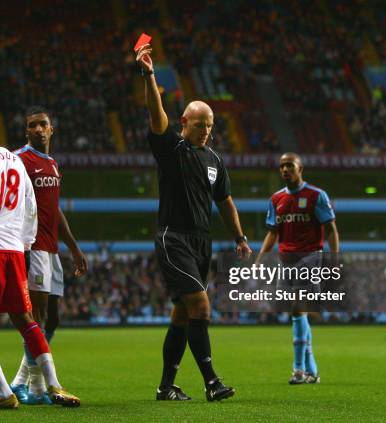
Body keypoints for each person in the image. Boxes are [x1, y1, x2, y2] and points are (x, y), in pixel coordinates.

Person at [135, 43, 252, 402]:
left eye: (210, 125)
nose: (205, 130)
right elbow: (156, 115)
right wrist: (150, 76)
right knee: (201, 307)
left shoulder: (214, 158)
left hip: (203, 242)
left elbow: (226, 202)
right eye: (199, 123)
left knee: (183, 316)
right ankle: (212, 382)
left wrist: (240, 238)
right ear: (184, 122)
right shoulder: (171, 147)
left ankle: (165, 386)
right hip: (174, 239)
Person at [0, 109, 79, 410]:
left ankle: (3, 392)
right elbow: (31, 207)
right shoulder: (14, 161)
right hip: (14, 252)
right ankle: (54, 385)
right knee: (26, 319)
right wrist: (24, 247)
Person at [10, 106, 87, 404]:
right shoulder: (19, 160)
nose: (39, 129)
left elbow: (53, 210)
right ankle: (39, 389)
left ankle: (20, 381)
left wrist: (74, 247)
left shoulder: (52, 164)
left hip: (52, 249)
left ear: (52, 128)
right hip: (32, 247)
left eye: (43, 124)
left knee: (52, 319)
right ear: (26, 130)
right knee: (38, 318)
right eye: (33, 125)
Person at [256, 152, 339, 385]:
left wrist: (334, 258)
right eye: (281, 166)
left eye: (289, 165)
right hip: (286, 260)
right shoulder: (276, 199)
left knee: (297, 308)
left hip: (310, 257)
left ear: (300, 168)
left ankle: (298, 369)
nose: (284, 170)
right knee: (297, 312)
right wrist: (260, 258)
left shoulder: (316, 196)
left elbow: (331, 229)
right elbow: (273, 231)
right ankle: (312, 370)